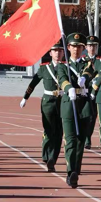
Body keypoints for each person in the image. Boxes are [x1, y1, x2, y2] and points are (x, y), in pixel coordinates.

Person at [20, 41, 65, 172]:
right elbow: (33, 83)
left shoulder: (67, 67)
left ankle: (52, 159)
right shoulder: (44, 68)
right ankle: (46, 154)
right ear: (50, 53)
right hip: (48, 102)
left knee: (59, 132)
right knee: (49, 130)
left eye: (60, 51)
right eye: (55, 51)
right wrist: (25, 97)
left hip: (62, 101)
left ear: (63, 53)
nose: (57, 53)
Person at [57, 33, 95, 188]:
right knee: (71, 140)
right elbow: (61, 78)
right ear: (68, 47)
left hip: (84, 104)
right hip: (69, 104)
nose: (76, 49)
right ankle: (70, 172)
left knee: (80, 140)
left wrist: (84, 78)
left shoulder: (87, 63)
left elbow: (89, 70)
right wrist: (68, 88)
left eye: (79, 47)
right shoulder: (62, 65)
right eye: (73, 46)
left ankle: (76, 169)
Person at [83, 35, 99, 150]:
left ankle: (88, 137)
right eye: (89, 46)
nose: (92, 48)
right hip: (84, 91)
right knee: (84, 115)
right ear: (86, 47)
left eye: (94, 46)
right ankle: (84, 137)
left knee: (93, 116)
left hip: (96, 92)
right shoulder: (83, 60)